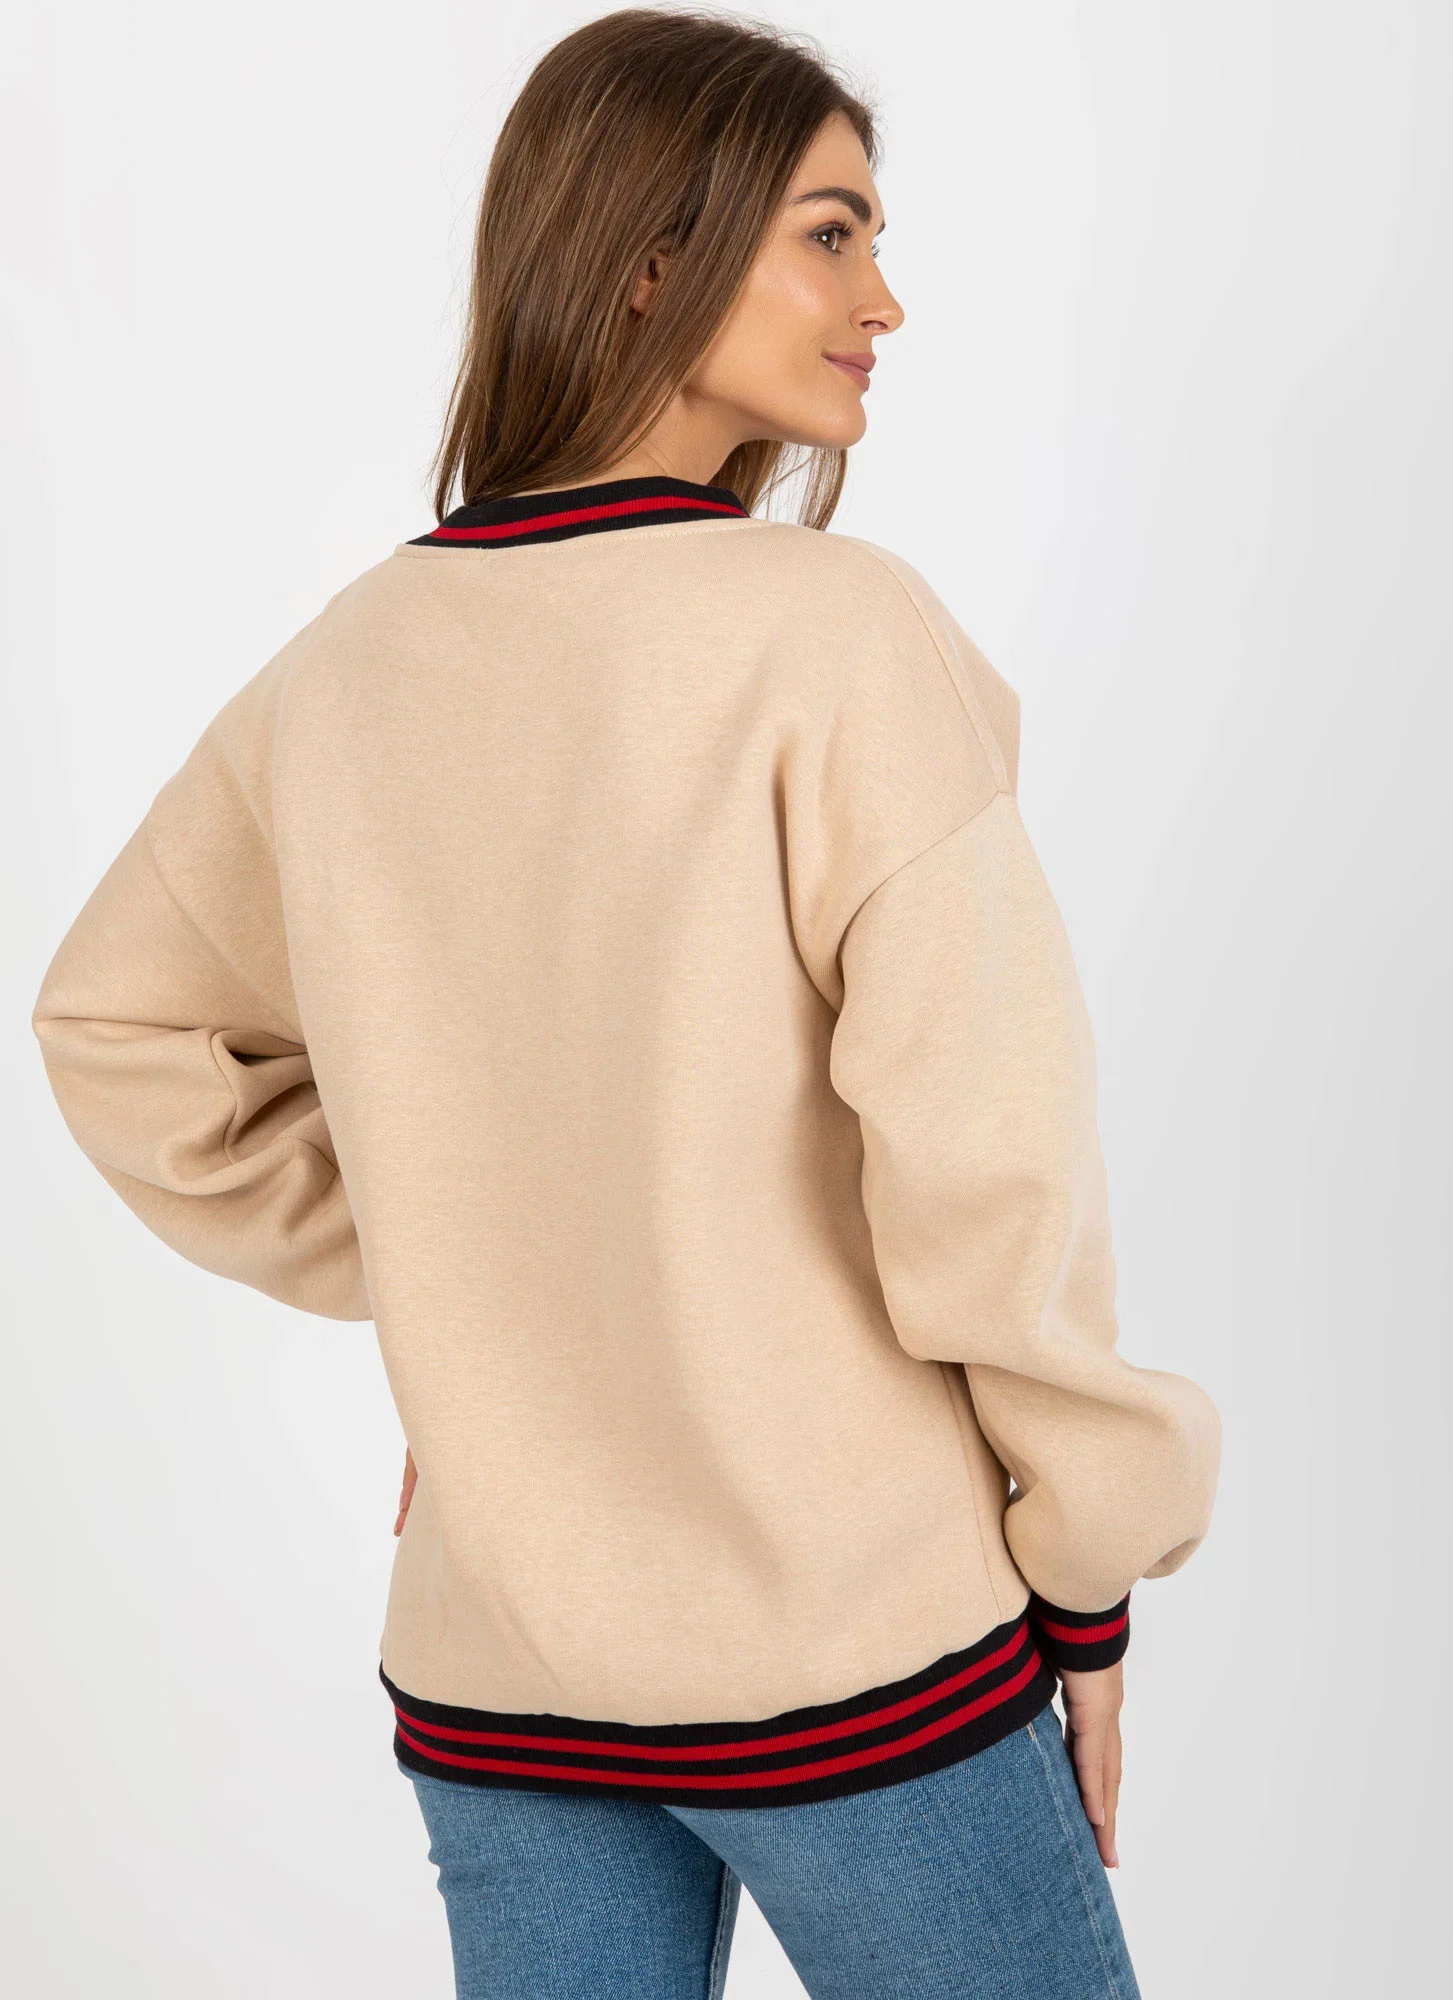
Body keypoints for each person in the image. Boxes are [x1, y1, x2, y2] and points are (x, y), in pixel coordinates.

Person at [31, 10, 1221, 1997]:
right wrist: (1087, 1570)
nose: (886, 300)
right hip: (854, 1671)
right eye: (831, 234)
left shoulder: (353, 664)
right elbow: (991, 1178)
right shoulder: (838, 637)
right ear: (653, 259)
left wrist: (490, 1300)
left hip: (500, 1670)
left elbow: (121, 1031)